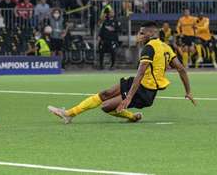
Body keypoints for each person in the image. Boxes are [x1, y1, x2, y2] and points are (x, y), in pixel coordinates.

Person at [48, 21, 196, 124]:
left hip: (144, 91)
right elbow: (181, 68)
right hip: (140, 85)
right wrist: (188, 91)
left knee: (106, 107)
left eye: (141, 33)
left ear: (151, 33)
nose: (138, 35)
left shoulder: (149, 48)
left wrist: (128, 98)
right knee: (106, 93)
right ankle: (68, 114)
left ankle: (132, 117)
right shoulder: (165, 47)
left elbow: (140, 73)